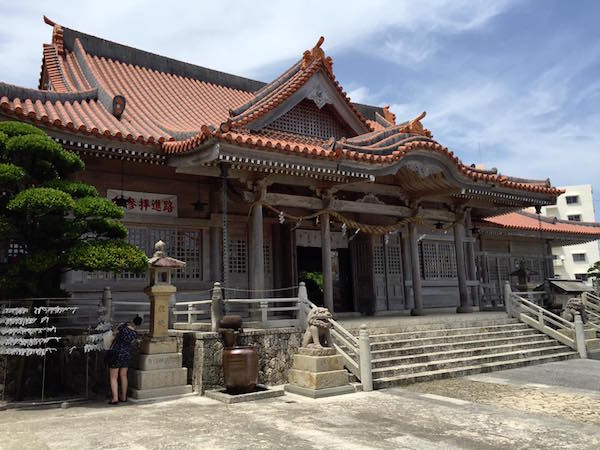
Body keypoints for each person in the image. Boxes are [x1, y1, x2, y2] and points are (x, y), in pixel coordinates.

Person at [107, 316, 142, 405]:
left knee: (113, 377)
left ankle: (115, 398)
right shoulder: (134, 333)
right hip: (126, 354)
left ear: (132, 320)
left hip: (116, 352)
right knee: (123, 375)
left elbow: (114, 332)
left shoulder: (122, 327)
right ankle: (123, 396)